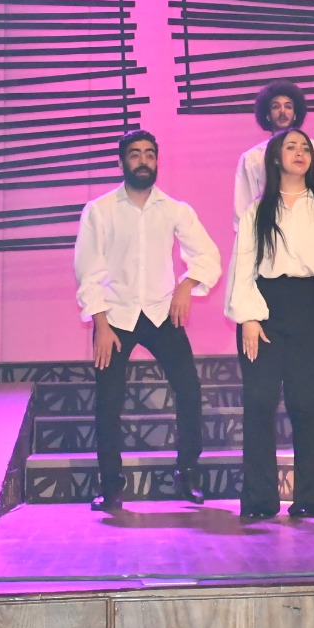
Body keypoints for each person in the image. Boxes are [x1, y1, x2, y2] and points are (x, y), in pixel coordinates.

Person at [75, 130, 221, 509]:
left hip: (160, 312)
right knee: (108, 401)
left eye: (150, 154)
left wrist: (186, 285)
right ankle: (111, 485)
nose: (143, 161)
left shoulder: (174, 209)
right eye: (135, 154)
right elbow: (88, 271)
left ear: (157, 161)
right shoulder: (99, 210)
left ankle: (187, 472)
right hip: (114, 316)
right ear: (122, 161)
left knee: (189, 390)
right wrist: (100, 325)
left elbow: (208, 256)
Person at [225, 128, 314, 518]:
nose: (300, 153)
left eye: (305, 148)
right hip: (264, 307)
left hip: (311, 308)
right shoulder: (257, 211)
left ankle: (312, 496)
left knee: (306, 403)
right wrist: (249, 317)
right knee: (260, 402)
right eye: (291, 147)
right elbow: (243, 268)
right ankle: (259, 498)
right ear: (275, 157)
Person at [233, 81, 307, 230]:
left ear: (295, 114)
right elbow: (243, 207)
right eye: (276, 106)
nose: (282, 111)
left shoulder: (311, 151)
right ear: (267, 115)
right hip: (267, 229)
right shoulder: (252, 158)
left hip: (306, 224)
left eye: (288, 106)